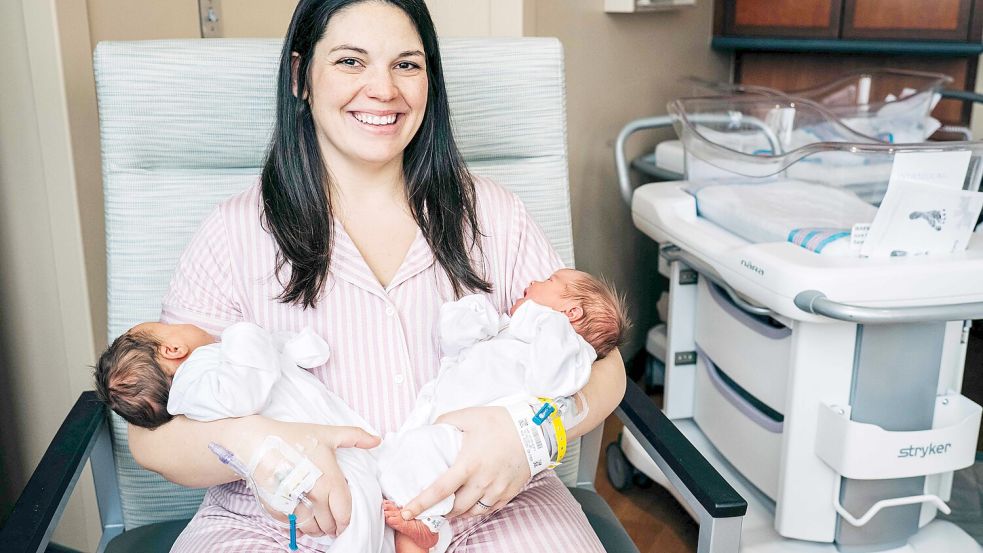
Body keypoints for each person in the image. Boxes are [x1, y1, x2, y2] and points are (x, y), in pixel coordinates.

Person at [127, 0, 628, 551]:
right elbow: (150, 437)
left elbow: (606, 369)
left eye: (407, 65)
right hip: (283, 523)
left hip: (488, 509)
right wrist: (250, 443)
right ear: (301, 76)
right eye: (350, 61)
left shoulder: (494, 215)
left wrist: (533, 436)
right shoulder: (232, 234)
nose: (383, 90)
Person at [379, 268, 629, 553]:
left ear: (571, 312)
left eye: (548, 281)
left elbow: (548, 381)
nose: (532, 281)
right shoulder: (513, 330)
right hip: (439, 417)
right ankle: (422, 527)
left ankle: (424, 530)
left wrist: (545, 321)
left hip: (476, 440)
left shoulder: (568, 349)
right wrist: (475, 319)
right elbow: (456, 346)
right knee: (399, 458)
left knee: (421, 457)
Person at [94, 323, 389, 551]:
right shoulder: (194, 381)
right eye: (170, 326)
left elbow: (274, 358)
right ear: (173, 348)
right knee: (359, 519)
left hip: (335, 443)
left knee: (369, 514)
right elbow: (245, 390)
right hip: (315, 463)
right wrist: (243, 331)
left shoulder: (209, 368)